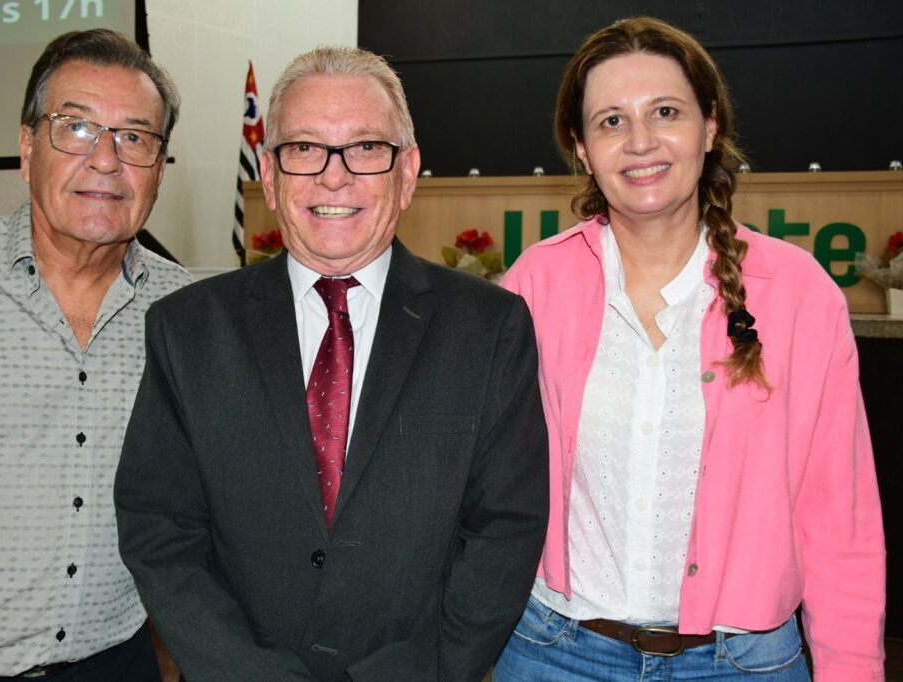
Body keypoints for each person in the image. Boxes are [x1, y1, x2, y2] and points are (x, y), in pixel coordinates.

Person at [114, 45, 550, 682]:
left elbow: (505, 529)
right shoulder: (188, 331)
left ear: (407, 174)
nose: (334, 176)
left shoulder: (489, 329)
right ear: (269, 175)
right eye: (304, 148)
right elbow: (161, 529)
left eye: (366, 148)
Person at [495, 16, 885, 682]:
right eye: (611, 121)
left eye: (665, 112)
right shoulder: (533, 285)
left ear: (709, 127)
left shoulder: (797, 295)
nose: (640, 141)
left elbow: (837, 520)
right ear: (583, 149)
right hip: (555, 654)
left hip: (746, 663)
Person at [0, 29, 190, 681]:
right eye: (75, 127)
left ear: (159, 168)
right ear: (27, 147)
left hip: (118, 664)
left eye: (135, 137)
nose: (106, 160)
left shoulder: (190, 316)